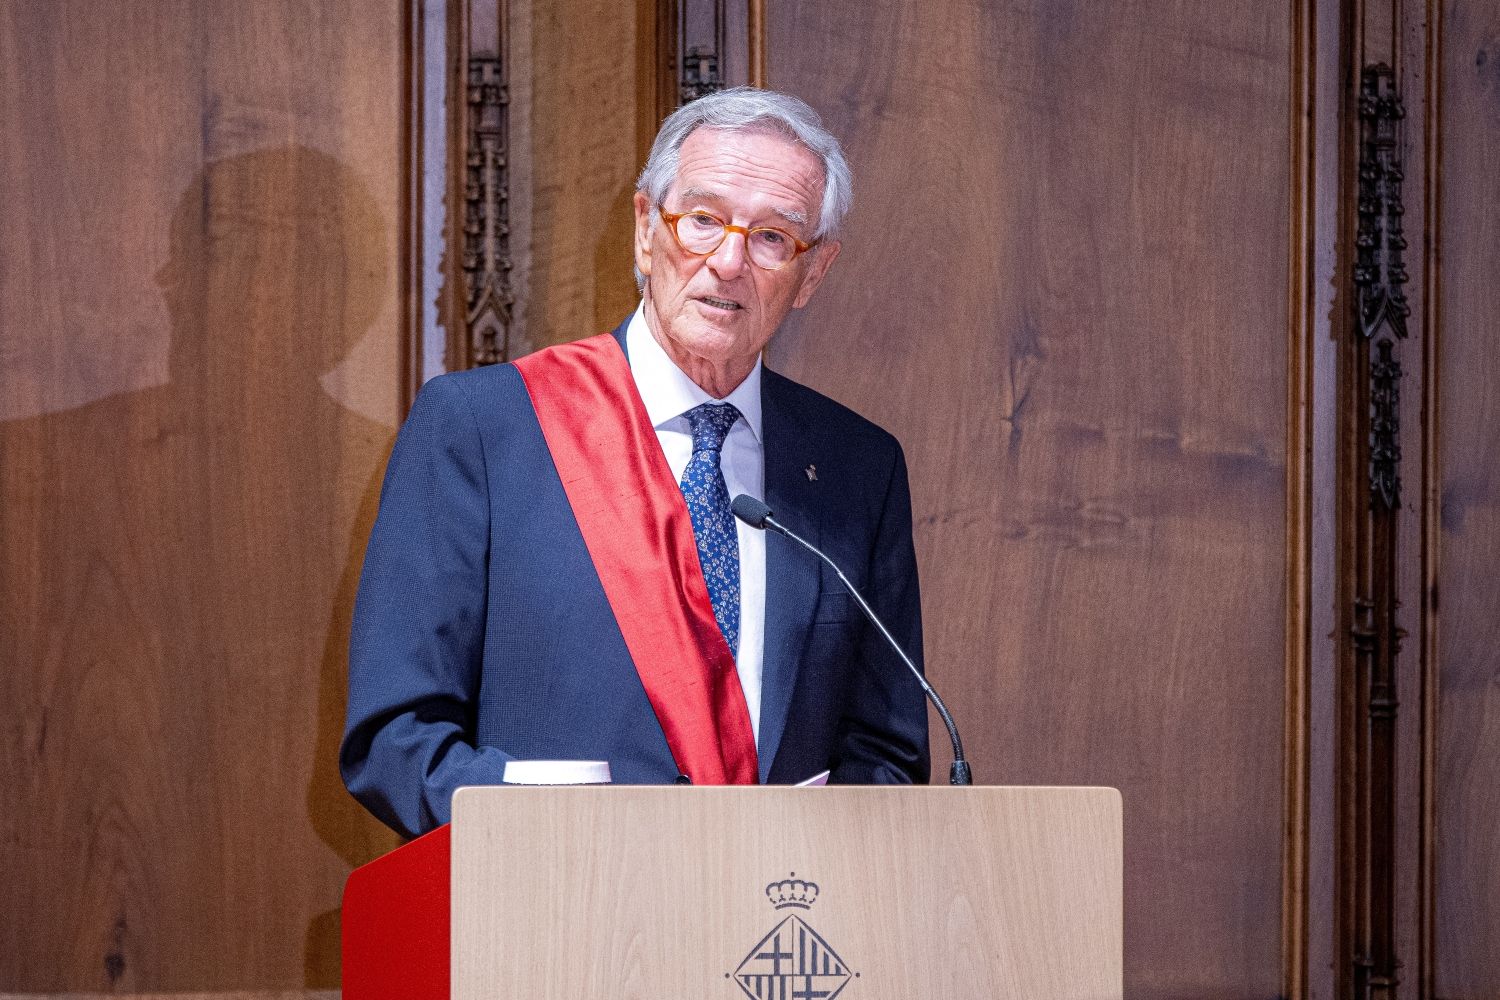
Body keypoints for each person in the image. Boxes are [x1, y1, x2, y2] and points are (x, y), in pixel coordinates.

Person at [341, 87, 929, 839]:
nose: (729, 262)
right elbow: (395, 739)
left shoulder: (858, 467)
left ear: (813, 274)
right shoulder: (483, 430)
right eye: (704, 220)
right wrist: (574, 838)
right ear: (646, 230)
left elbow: (885, 750)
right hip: (554, 919)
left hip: (772, 934)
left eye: (773, 237)